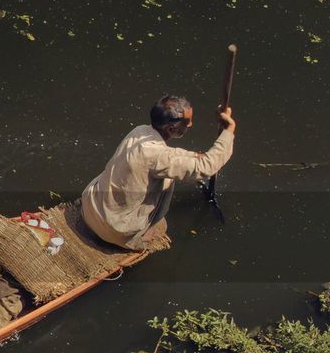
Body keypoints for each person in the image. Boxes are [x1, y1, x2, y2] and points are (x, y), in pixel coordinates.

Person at [80, 95, 236, 250]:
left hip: (90, 207)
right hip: (112, 229)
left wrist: (194, 156)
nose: (191, 125)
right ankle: (142, 232)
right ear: (171, 129)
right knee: (168, 180)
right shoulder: (159, 157)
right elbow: (206, 168)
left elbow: (164, 155)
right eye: (187, 122)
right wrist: (229, 130)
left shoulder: (140, 130)